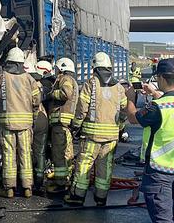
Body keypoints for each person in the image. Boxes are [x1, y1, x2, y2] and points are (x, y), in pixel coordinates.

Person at [125, 58, 174, 223]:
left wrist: (130, 98)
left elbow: (133, 118)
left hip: (159, 171)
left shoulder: (157, 107)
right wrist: (155, 93)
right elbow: (169, 103)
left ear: (162, 78)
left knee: (163, 219)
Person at [65, 52, 128, 207]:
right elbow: (124, 109)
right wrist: (119, 128)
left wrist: (76, 125)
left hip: (92, 135)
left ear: (95, 67)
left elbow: (82, 107)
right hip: (111, 137)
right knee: (105, 167)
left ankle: (77, 197)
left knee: (84, 165)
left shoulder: (91, 83)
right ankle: (101, 198)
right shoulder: (119, 88)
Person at [0, 47, 40, 198]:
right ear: (21, 62)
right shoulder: (29, 79)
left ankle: (9, 189)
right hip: (25, 124)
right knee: (25, 154)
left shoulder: (2, 76)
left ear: (8, 61)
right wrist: (32, 113)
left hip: (7, 122)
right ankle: (27, 188)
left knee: (9, 154)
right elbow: (37, 99)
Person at [47, 57, 78, 193]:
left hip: (60, 124)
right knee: (67, 153)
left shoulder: (65, 79)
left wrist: (50, 93)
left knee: (59, 154)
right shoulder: (73, 80)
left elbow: (66, 93)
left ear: (62, 68)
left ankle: (60, 183)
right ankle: (67, 179)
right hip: (65, 124)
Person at [31, 60, 55, 190]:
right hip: (45, 120)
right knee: (40, 151)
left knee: (28, 150)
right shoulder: (49, 84)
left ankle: (32, 178)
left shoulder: (36, 83)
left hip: (35, 119)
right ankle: (39, 179)